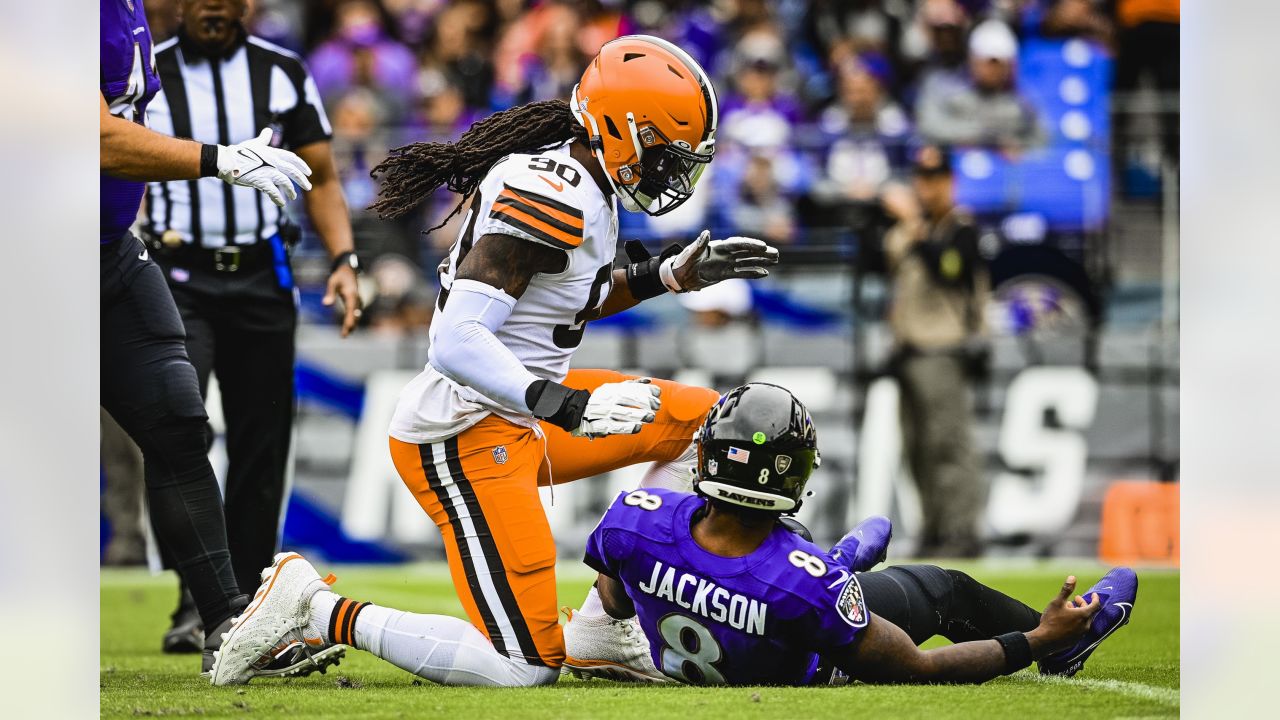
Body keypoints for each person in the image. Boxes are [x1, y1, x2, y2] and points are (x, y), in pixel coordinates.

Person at [208, 35, 780, 688]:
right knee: (524, 667)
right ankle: (315, 607)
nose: (672, 174)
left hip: (520, 411)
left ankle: (602, 625)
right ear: (626, 130)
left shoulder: (581, 175)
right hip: (466, 429)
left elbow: (567, 300)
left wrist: (670, 275)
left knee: (712, 430)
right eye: (667, 154)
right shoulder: (554, 191)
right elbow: (455, 341)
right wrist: (570, 406)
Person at [573, 383, 1138, 685]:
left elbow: (617, 600)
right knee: (946, 591)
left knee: (792, 560)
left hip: (735, 625)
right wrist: (1036, 642)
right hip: (811, 650)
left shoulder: (632, 518)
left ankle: (836, 560)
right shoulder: (803, 585)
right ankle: (1067, 640)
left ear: (706, 456)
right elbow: (920, 670)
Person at [142, 0, 362, 657]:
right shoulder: (147, 73)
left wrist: (345, 260)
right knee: (179, 428)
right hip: (175, 275)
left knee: (262, 444)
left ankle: (248, 596)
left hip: (262, 279)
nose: (214, 5)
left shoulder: (282, 72)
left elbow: (321, 173)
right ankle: (195, 596)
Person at [99, 0, 312, 672]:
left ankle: (225, 623)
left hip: (105, 253)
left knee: (178, 424)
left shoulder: (124, 9)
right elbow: (93, 137)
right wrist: (217, 160)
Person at [882, 145, 989, 557]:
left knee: (948, 444)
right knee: (917, 448)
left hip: (944, 350)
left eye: (936, 179)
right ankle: (933, 530)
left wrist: (911, 221)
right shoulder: (911, 231)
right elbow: (883, 262)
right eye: (921, 179)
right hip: (907, 350)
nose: (927, 187)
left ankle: (962, 532)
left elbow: (951, 270)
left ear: (950, 181)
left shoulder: (962, 227)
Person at [915, 19, 1045, 151]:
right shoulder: (945, 87)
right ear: (973, 60)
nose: (992, 70)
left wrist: (1018, 147)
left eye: (998, 64)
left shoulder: (1022, 100)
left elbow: (1041, 140)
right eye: (987, 62)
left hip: (1006, 170)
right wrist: (984, 136)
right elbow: (929, 126)